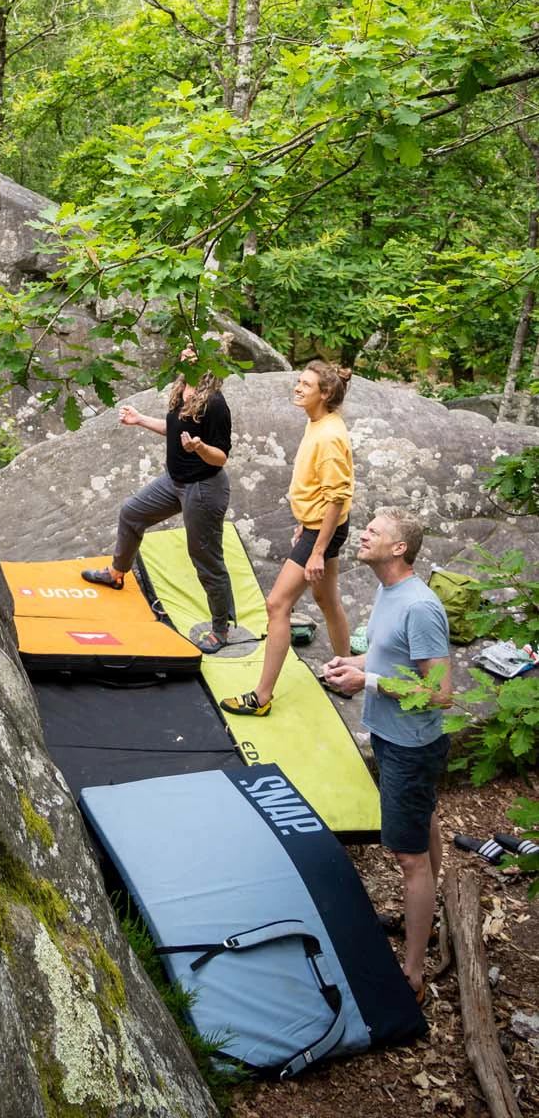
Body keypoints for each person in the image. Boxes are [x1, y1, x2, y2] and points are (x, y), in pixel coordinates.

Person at [321, 509, 451, 1003]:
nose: (365, 533)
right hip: (393, 735)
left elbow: (439, 693)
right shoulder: (386, 590)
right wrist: (351, 664)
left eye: (376, 530)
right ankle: (430, 917)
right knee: (425, 817)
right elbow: (385, 656)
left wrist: (367, 682)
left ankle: (414, 976)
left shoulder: (420, 606)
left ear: (400, 549)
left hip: (411, 746)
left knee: (407, 856)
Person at [80, 345, 235, 654]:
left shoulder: (215, 404)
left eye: (193, 349)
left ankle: (221, 628)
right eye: (186, 348)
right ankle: (116, 573)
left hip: (204, 489)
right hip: (174, 481)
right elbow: (174, 428)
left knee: (205, 557)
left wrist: (200, 448)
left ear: (207, 359)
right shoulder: (182, 388)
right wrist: (140, 420)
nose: (185, 352)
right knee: (131, 513)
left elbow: (220, 457)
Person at [221, 360, 353, 716]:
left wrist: (316, 549)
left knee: (277, 605)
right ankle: (346, 672)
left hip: (323, 531)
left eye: (305, 385)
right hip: (320, 526)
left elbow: (337, 496)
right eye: (298, 381)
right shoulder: (320, 423)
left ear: (324, 394)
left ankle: (262, 697)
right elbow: (326, 496)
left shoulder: (328, 436)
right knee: (327, 600)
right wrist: (308, 523)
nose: (297, 388)